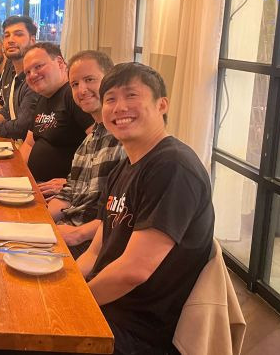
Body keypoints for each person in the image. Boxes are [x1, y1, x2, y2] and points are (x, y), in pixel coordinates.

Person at [76, 62, 215, 354]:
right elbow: (96, 251)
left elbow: (134, 271)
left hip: (136, 332)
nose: (119, 107)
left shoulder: (173, 167)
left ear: (162, 104)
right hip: (108, 309)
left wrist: (74, 303)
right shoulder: (124, 166)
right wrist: (64, 289)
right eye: (110, 99)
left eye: (131, 96)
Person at [43, 50, 125, 256]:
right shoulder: (89, 140)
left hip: (91, 245)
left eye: (90, 80)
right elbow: (69, 192)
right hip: (68, 231)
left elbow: (122, 218)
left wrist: (77, 234)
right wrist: (41, 221)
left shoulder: (125, 141)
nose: (82, 90)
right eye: (75, 84)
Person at [18, 43, 93, 182]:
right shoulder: (43, 98)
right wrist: (16, 175)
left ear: (59, 63)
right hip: (34, 185)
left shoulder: (73, 95)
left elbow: (98, 149)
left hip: (62, 193)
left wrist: (71, 184)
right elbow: (29, 144)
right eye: (27, 72)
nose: (32, 75)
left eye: (38, 66)